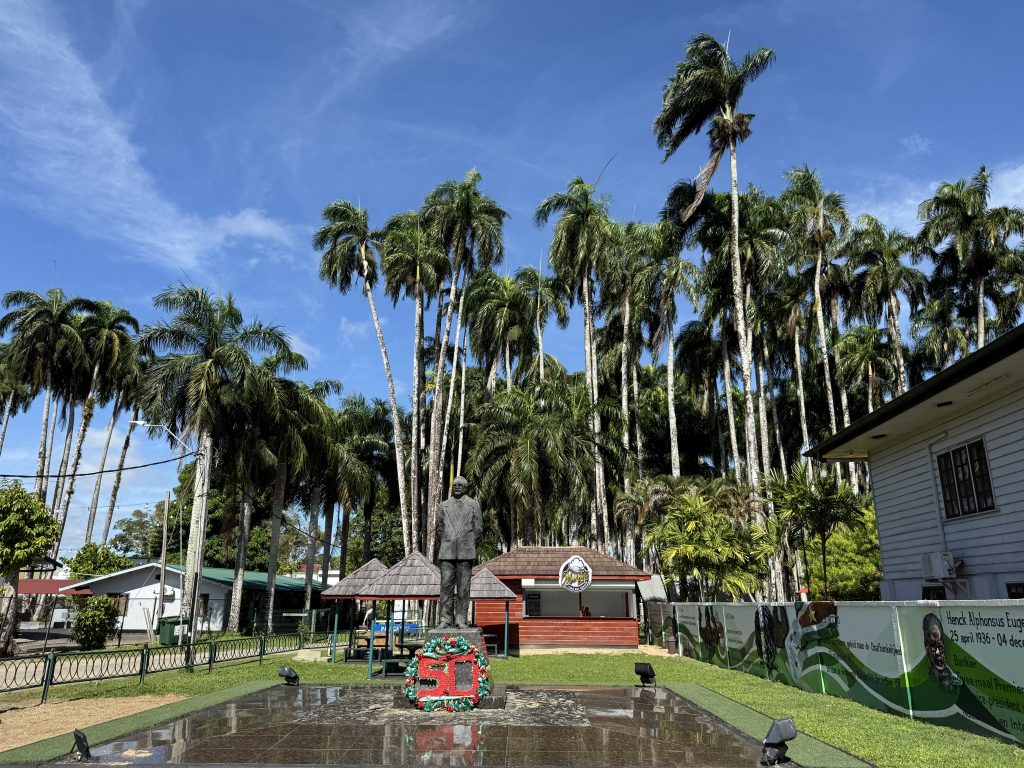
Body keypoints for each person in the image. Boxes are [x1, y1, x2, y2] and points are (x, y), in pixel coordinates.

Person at [435, 476, 483, 628]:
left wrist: (467, 543)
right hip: (447, 551)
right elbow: (439, 529)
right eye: (454, 485)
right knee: (445, 587)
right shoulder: (443, 505)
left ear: (465, 488)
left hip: (466, 551)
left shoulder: (473, 505)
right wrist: (449, 540)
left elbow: (478, 529)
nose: (456, 487)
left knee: (463, 588)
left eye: (460, 485)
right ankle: (445, 619)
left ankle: (461, 619)